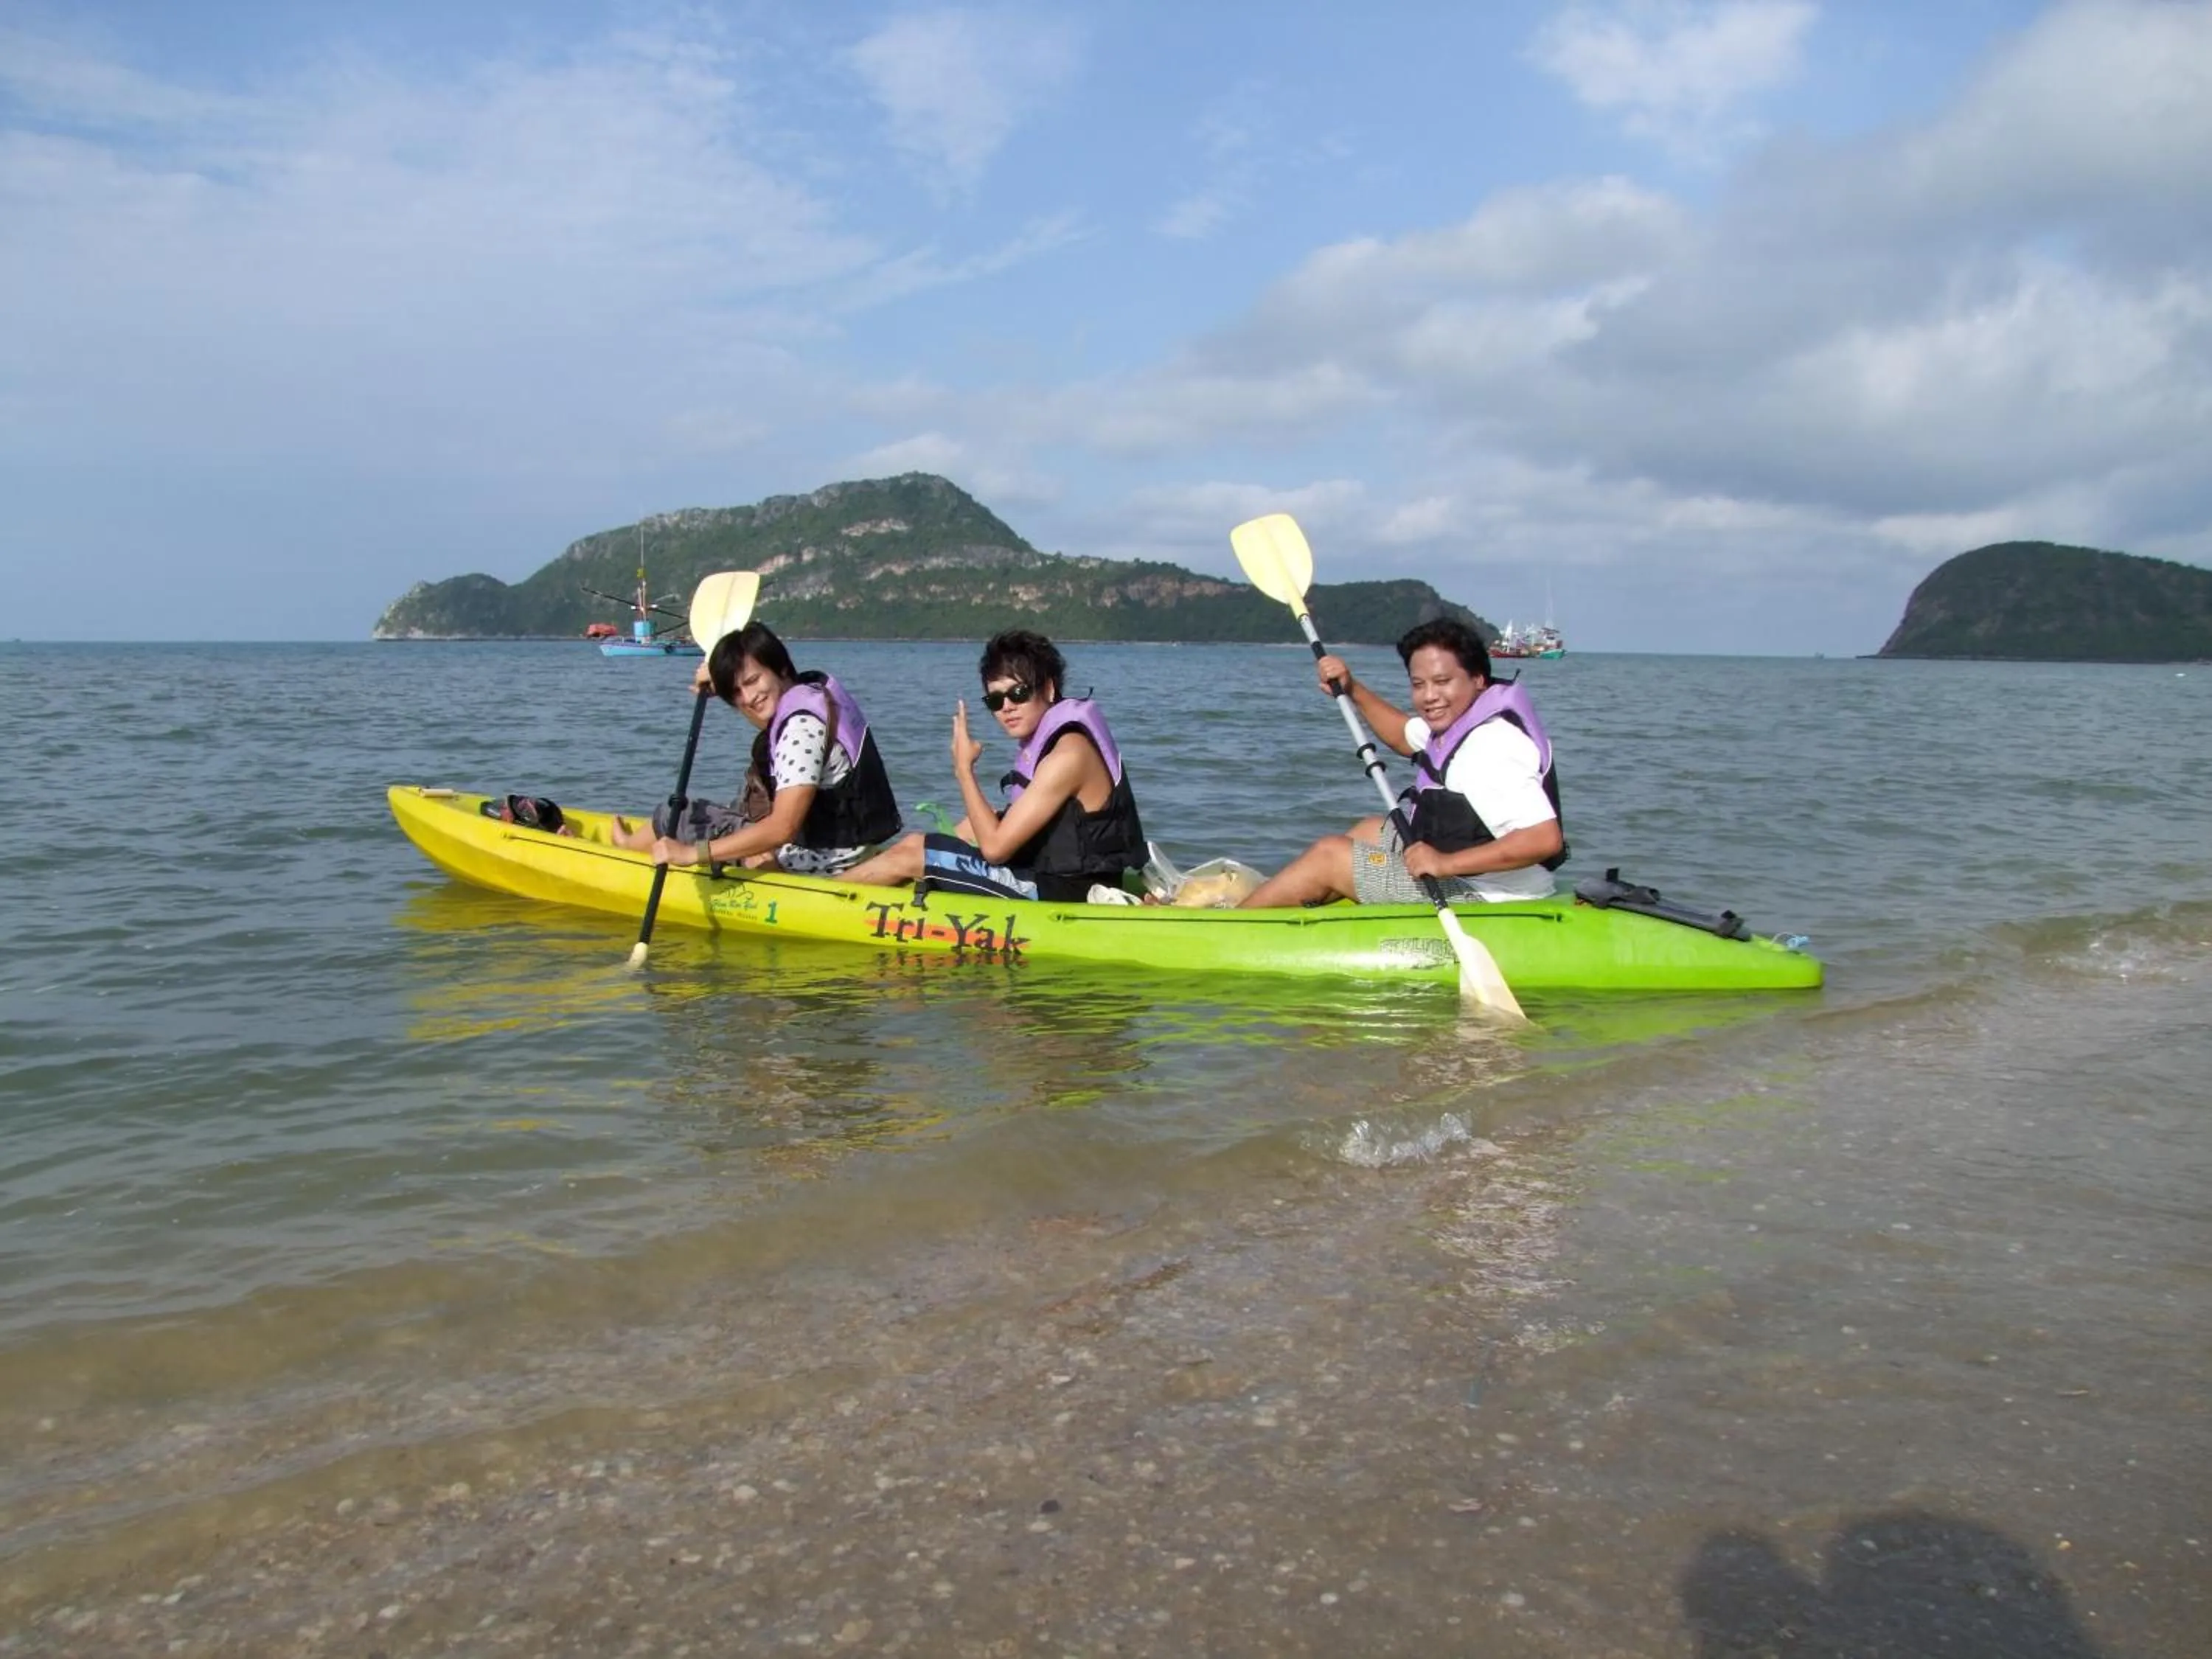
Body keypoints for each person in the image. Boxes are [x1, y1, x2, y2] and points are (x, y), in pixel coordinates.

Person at [1239, 618, 1565, 908]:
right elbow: (1403, 735)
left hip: (1488, 895)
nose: (1429, 696)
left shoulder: (1490, 746)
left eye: (1442, 682)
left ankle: (1230, 926)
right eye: (1418, 684)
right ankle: (1292, 905)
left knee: (1330, 855)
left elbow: (1543, 839)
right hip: (1475, 873)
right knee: (1370, 830)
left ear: (1478, 679)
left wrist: (1444, 864)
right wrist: (1352, 688)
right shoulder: (1458, 724)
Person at [841, 630, 1146, 902]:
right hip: (1060, 879)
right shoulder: (1056, 742)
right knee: (937, 839)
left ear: (1049, 690)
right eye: (995, 700)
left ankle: (812, 898)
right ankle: (855, 883)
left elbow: (996, 849)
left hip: (1069, 894)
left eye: (1019, 693)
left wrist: (963, 769)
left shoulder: (1069, 755)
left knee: (913, 851)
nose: (1007, 707)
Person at [610, 622, 902, 874]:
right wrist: (722, 682)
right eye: (736, 692)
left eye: (752, 680)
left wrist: (692, 854)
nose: (748, 698)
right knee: (741, 799)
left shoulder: (800, 730)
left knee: (676, 813)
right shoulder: (813, 690)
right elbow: (768, 715)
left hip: (816, 862)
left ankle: (624, 853)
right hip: (852, 848)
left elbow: (782, 828)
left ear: (781, 668)